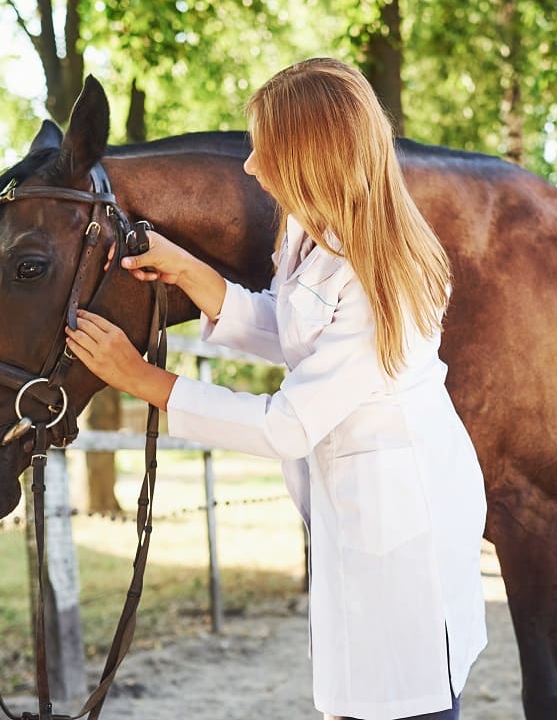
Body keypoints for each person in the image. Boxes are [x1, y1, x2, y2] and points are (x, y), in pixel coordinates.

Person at [64, 57, 487, 720]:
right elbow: (299, 335)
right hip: (357, 511)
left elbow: (285, 424)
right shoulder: (310, 238)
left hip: (404, 525)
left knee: (408, 699)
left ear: (309, 157)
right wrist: (188, 271)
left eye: (267, 149)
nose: (253, 166)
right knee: (360, 697)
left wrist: (142, 378)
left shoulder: (380, 279)